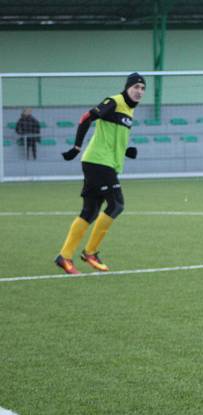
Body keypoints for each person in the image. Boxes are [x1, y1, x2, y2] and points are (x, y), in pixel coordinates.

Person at [54, 73, 145, 275]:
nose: (139, 91)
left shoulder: (129, 110)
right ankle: (90, 252)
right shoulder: (114, 101)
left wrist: (125, 150)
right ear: (128, 87)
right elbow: (86, 118)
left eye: (142, 88)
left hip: (104, 162)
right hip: (98, 162)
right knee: (116, 204)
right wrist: (76, 147)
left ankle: (64, 257)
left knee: (90, 211)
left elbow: (111, 136)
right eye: (136, 87)